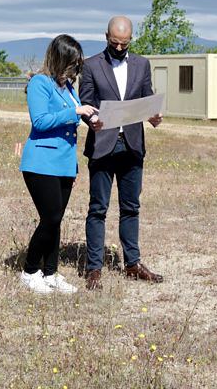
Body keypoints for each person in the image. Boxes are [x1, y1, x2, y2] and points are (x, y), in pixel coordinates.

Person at [79, 16, 164, 291]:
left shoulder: (142, 64)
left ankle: (132, 264)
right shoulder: (91, 65)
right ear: (106, 37)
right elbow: (86, 101)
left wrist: (153, 116)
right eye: (114, 42)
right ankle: (94, 269)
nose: (118, 48)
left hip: (132, 145)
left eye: (124, 44)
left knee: (131, 207)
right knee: (98, 209)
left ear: (131, 39)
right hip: (103, 145)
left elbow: (147, 98)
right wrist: (91, 119)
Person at [18, 34, 98, 294]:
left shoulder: (69, 88)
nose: (76, 67)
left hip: (63, 163)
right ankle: (30, 271)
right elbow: (40, 121)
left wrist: (91, 120)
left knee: (56, 220)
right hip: (41, 163)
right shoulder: (40, 83)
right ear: (60, 59)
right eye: (73, 62)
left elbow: (71, 127)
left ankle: (50, 273)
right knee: (50, 217)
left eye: (78, 63)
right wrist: (75, 111)